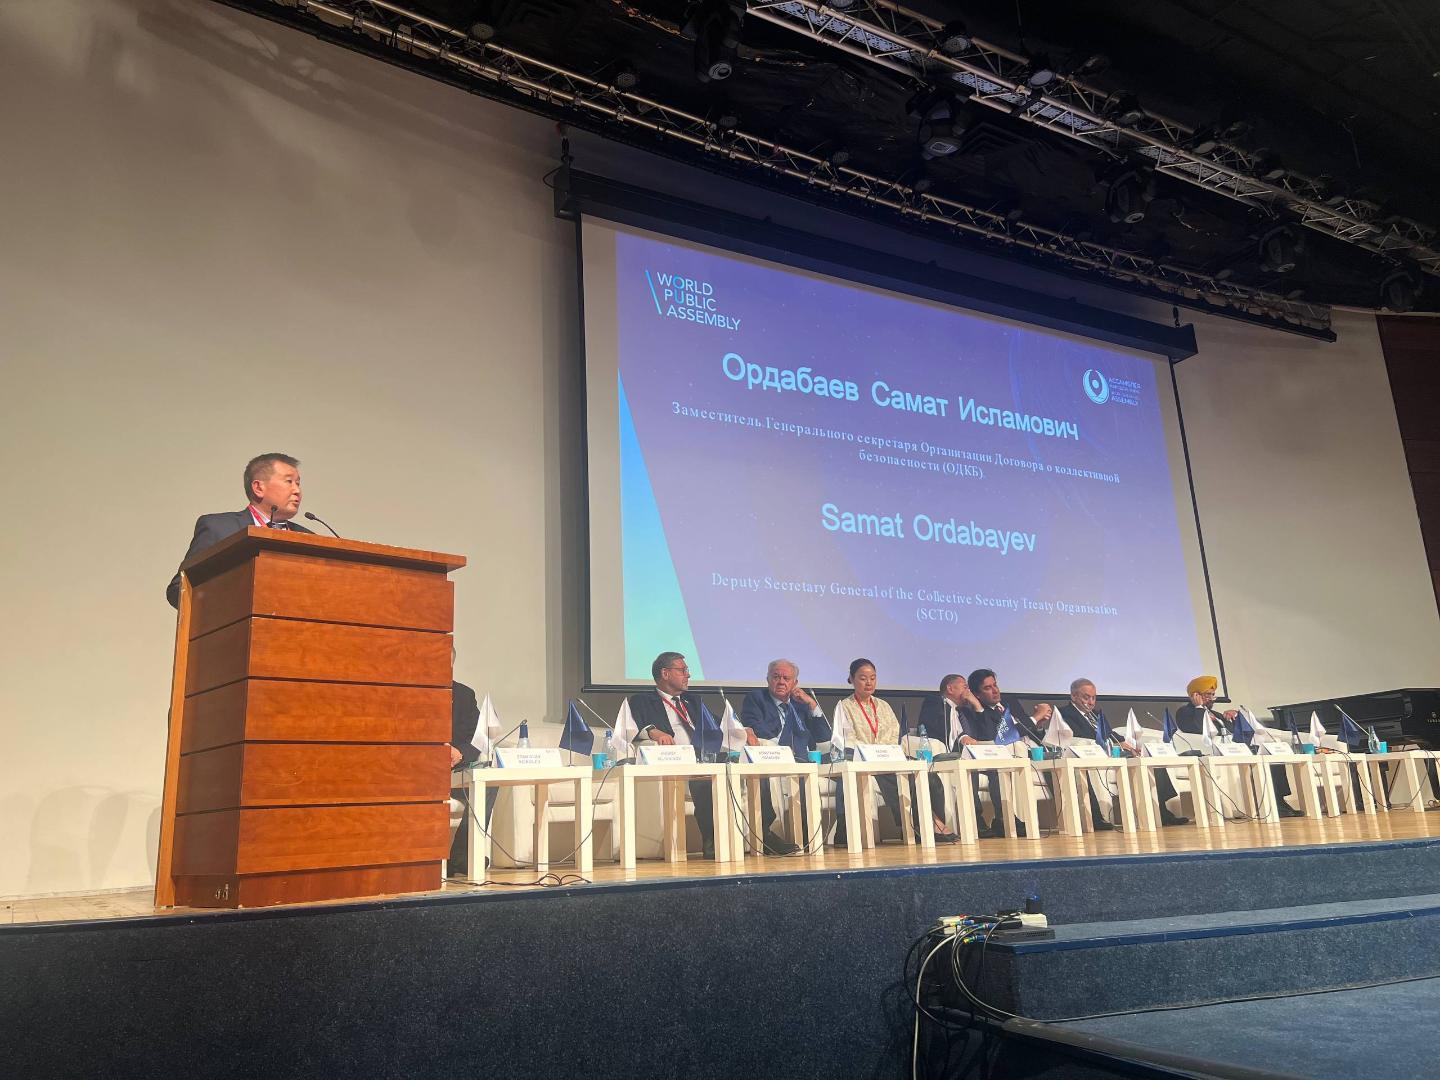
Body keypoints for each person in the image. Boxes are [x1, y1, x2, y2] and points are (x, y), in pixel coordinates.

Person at [832, 659, 956, 845]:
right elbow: (846, 739)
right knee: (895, 777)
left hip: (888, 756)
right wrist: (872, 752)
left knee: (927, 775)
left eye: (873, 678)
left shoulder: (883, 705)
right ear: (851, 679)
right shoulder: (844, 706)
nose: (869, 683)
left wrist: (886, 751)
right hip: (864, 760)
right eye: (863, 678)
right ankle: (923, 825)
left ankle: (933, 821)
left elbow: (895, 733)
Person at [166, 453, 310, 608]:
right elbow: (180, 589)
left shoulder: (309, 538)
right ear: (258, 488)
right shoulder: (220, 528)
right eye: (289, 481)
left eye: (298, 483)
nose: (297, 490)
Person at [1060, 678, 1188, 828]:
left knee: (1148, 757)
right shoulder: (1065, 714)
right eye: (1086, 697)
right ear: (1074, 696)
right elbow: (1076, 736)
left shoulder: (1096, 714)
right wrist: (1109, 743)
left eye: (1094, 698)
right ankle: (1099, 818)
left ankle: (1162, 811)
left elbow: (1109, 733)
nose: (1091, 702)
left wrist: (1124, 743)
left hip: (1112, 752)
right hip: (1092, 753)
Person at [627, 651, 718, 858]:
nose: (688, 675)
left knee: (753, 773)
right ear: (665, 673)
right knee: (703, 780)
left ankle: (763, 834)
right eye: (683, 670)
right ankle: (712, 840)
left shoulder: (693, 701)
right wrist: (653, 731)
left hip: (705, 757)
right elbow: (632, 727)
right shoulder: (643, 700)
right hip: (678, 762)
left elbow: (717, 723)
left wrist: (741, 729)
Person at [739, 659, 831, 855]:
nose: (781, 681)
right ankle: (768, 835)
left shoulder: (800, 705)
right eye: (776, 677)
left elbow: (824, 737)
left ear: (795, 683)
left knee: (807, 776)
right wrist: (781, 749)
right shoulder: (757, 698)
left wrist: (812, 704)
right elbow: (753, 726)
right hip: (772, 756)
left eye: (786, 678)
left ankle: (807, 834)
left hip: (801, 761)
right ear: (767, 679)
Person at [1177, 676, 1302, 818]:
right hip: (1215, 752)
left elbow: (1233, 733)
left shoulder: (1216, 714)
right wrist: (1199, 708)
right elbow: (1197, 729)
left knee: (1271, 757)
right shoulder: (1184, 712)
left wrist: (1235, 718)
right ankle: (1272, 804)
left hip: (1235, 749)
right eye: (1207, 695)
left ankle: (1278, 801)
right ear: (1195, 695)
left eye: (1213, 695)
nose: (1212, 699)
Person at [961, 669, 1054, 837]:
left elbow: (1028, 731)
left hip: (1030, 753)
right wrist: (1035, 717)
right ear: (977, 695)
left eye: (995, 685)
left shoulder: (1010, 702)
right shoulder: (974, 712)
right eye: (987, 688)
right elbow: (997, 737)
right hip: (1001, 757)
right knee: (1000, 770)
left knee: (1056, 763)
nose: (995, 690)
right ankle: (1006, 818)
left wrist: (1039, 724)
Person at [917, 674, 984, 839]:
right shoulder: (935, 703)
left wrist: (976, 705)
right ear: (950, 688)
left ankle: (976, 821)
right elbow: (932, 727)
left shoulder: (963, 711)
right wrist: (961, 737)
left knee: (970, 765)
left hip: (960, 756)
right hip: (939, 755)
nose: (968, 691)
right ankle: (974, 821)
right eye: (964, 687)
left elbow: (980, 731)